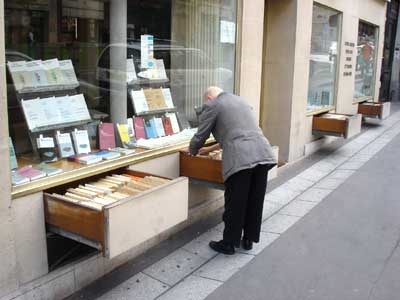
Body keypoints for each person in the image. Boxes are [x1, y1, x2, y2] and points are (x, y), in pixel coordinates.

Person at [188, 86, 277, 255]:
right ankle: (248, 239)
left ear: (208, 98)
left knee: (235, 202)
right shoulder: (240, 101)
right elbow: (235, 132)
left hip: (241, 158)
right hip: (263, 153)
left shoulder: (213, 105)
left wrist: (192, 150)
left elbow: (202, 134)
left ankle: (229, 243)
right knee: (254, 200)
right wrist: (207, 151)